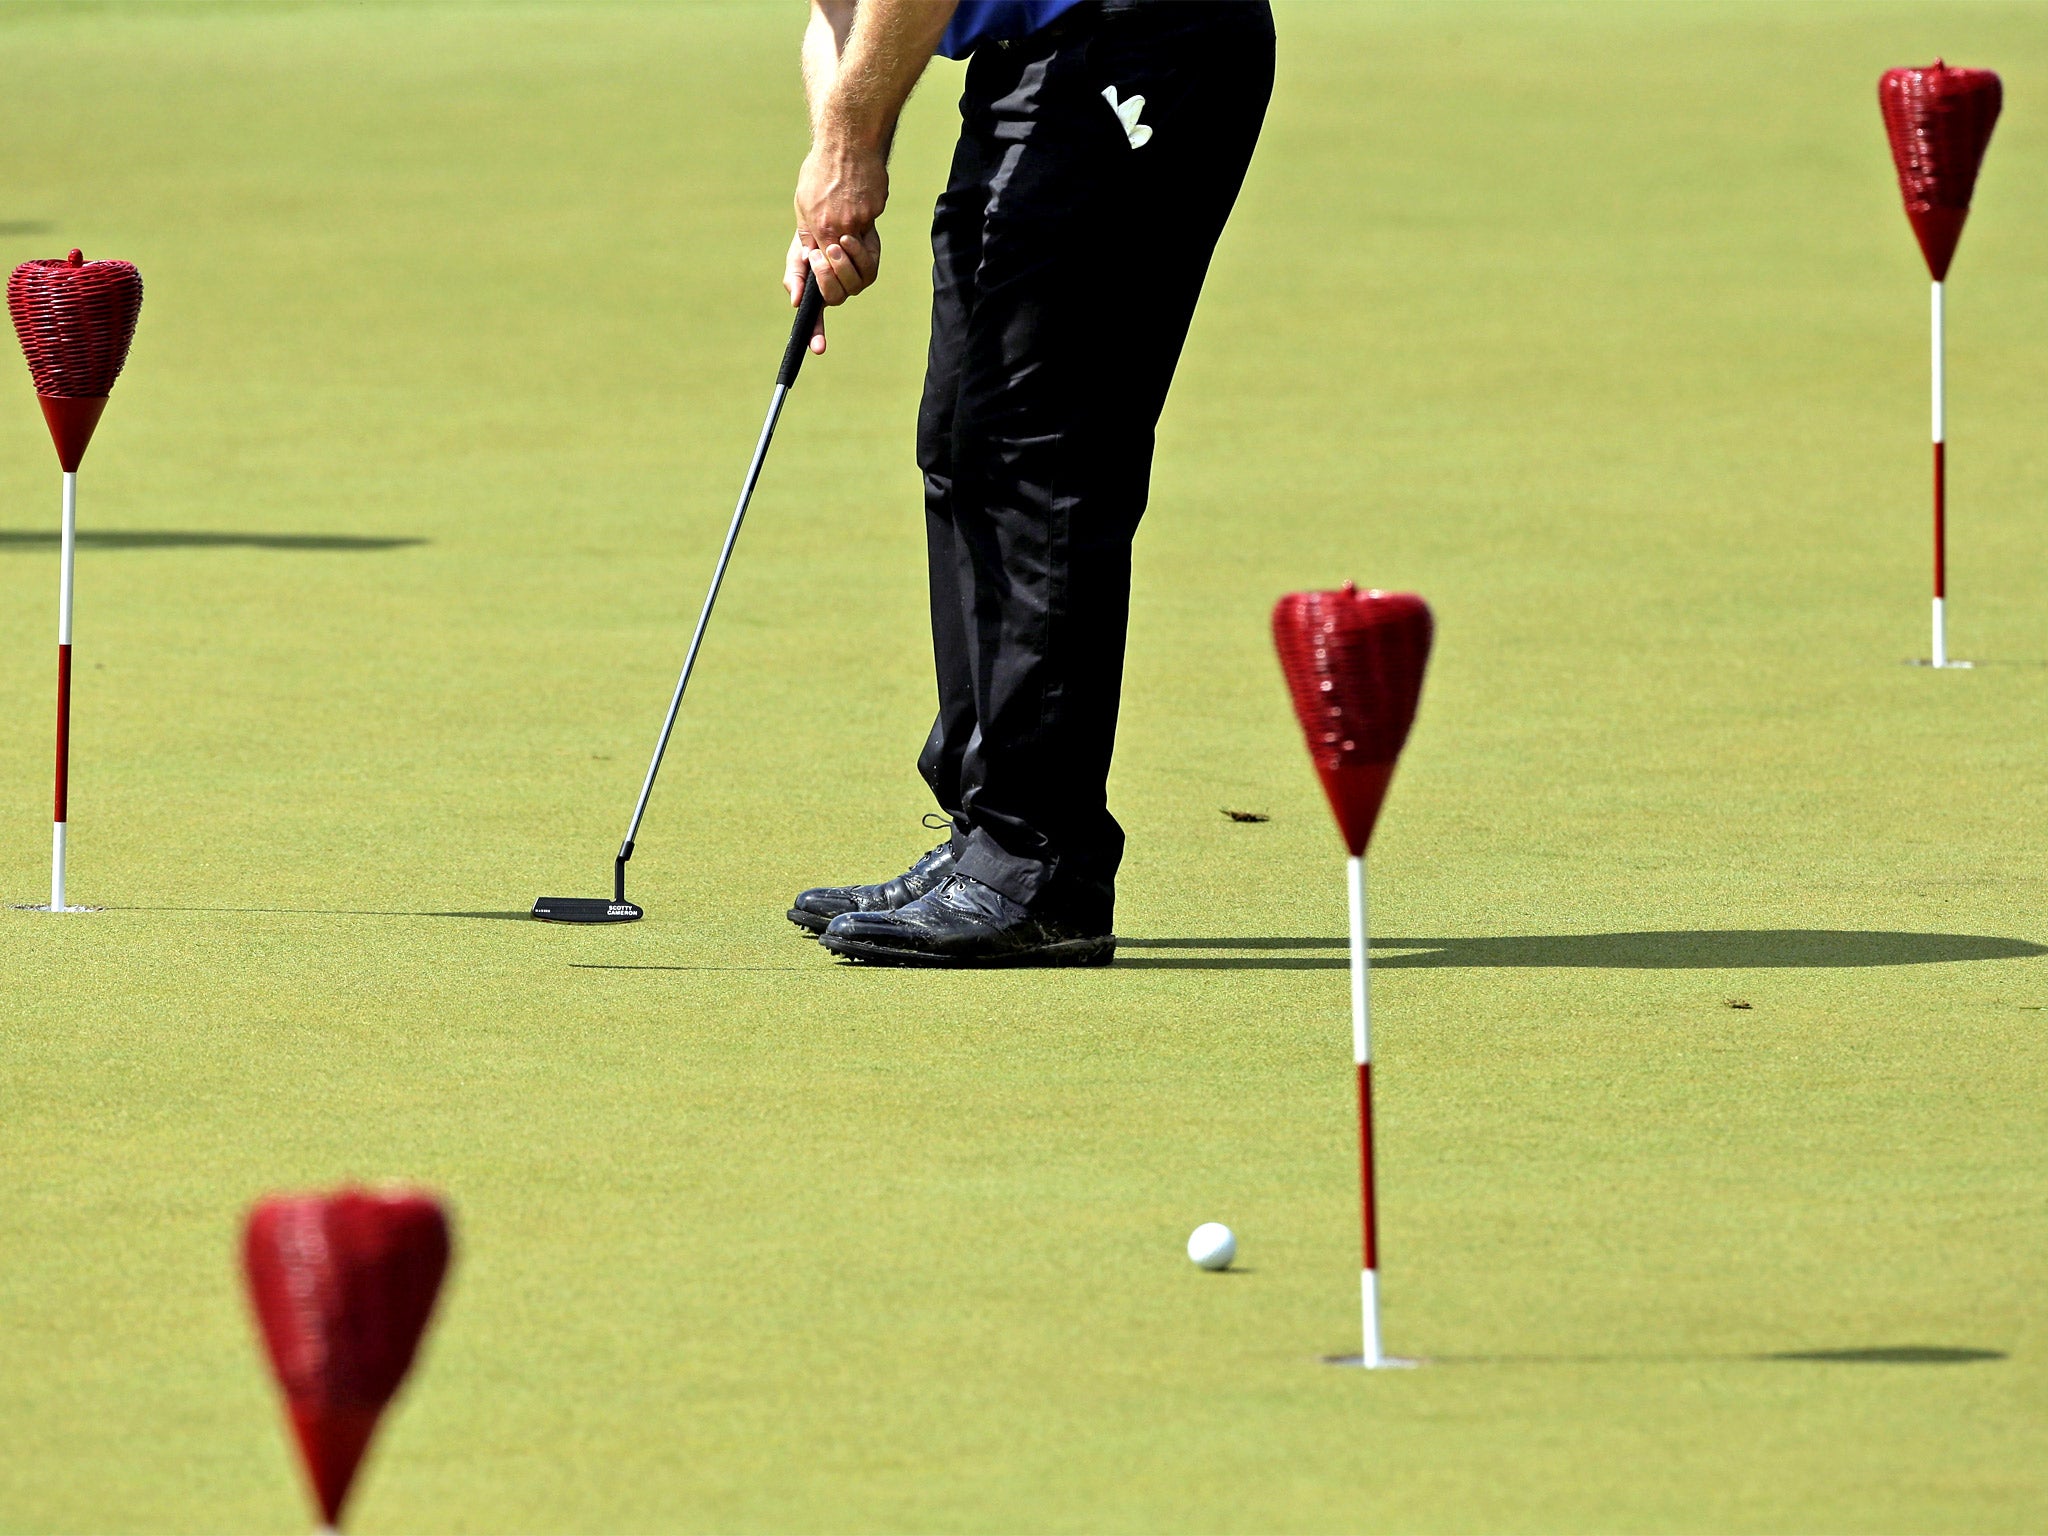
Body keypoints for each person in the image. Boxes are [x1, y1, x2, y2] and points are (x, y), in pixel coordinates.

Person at [782, 0, 1273, 966]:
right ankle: (987, 825)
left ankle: (1041, 861)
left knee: (1036, 452)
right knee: (961, 439)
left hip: (1143, 42)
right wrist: (829, 182)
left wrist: (848, 155)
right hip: (1035, 61)